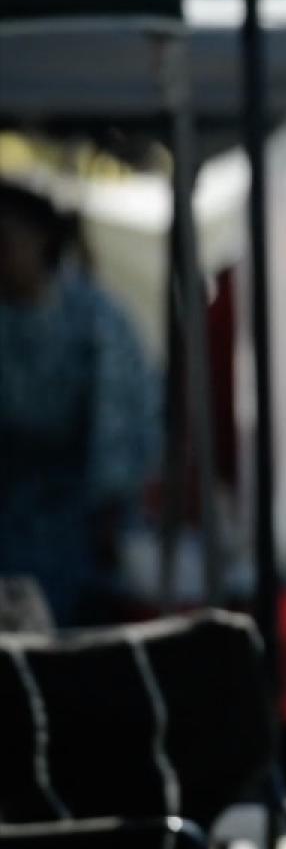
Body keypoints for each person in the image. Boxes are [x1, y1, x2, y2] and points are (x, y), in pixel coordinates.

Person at [0, 179, 160, 628]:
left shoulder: (96, 318)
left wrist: (110, 510)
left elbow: (121, 420)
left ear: (41, 239)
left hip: (79, 518)